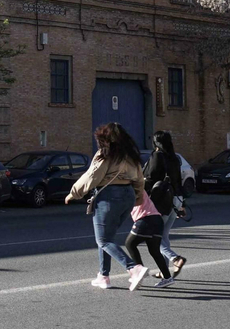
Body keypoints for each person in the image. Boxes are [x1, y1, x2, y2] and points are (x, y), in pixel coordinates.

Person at [66, 122, 146, 289]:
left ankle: (134, 268)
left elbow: (92, 176)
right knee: (107, 238)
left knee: (103, 239)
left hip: (110, 196)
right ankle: (103, 276)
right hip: (128, 195)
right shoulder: (131, 155)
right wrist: (138, 199)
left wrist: (74, 193)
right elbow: (140, 179)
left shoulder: (106, 154)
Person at [144, 130, 188, 278]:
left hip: (162, 200)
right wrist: (182, 204)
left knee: (152, 235)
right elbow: (179, 181)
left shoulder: (157, 156)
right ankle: (165, 271)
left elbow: (150, 178)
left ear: (156, 142)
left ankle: (175, 258)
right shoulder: (174, 158)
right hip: (176, 198)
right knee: (163, 235)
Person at [124, 191, 174, 289]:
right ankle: (167, 277)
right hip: (157, 220)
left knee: (130, 244)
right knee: (154, 251)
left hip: (145, 219)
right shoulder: (138, 187)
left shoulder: (130, 189)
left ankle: (139, 271)